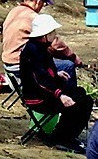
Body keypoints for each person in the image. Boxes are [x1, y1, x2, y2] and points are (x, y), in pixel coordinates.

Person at [18, 14, 93, 147]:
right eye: (52, 32)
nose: (55, 34)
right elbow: (40, 80)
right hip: (37, 97)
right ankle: (63, 138)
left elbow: (43, 72)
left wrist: (56, 74)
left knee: (81, 93)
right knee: (81, 102)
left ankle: (64, 135)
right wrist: (60, 95)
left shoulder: (40, 48)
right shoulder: (33, 51)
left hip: (42, 92)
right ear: (44, 35)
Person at [1, 0, 79, 86]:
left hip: (7, 64)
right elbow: (55, 44)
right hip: (20, 66)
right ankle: (66, 94)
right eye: (43, 3)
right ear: (38, 2)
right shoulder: (34, 18)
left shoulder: (14, 11)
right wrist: (73, 57)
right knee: (68, 65)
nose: (42, 7)